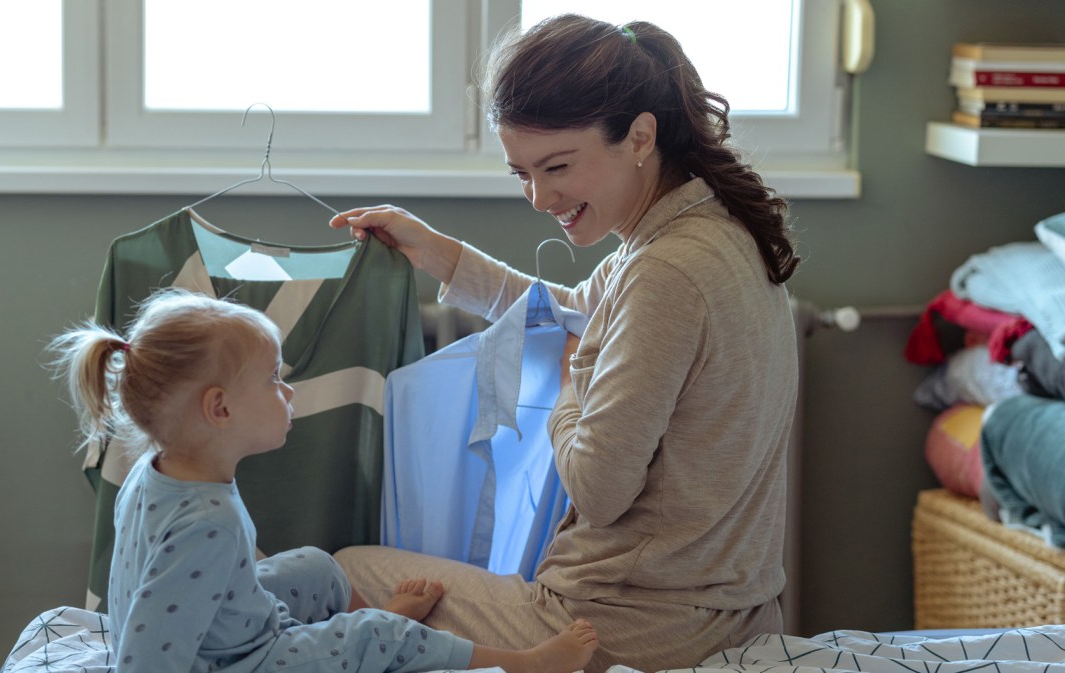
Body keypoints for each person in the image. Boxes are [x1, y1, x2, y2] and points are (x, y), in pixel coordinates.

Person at [328, 13, 800, 673]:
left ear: (639, 136)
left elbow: (600, 488)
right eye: (521, 172)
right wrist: (435, 251)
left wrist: (572, 392)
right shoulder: (704, 229)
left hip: (626, 624)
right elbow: (574, 313)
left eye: (557, 167)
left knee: (338, 575)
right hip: (725, 612)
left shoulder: (665, 271)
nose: (538, 195)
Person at [47, 288, 598, 673]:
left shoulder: (161, 474)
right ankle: (524, 665)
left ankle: (380, 618)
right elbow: (148, 655)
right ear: (219, 409)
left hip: (224, 632)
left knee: (315, 563)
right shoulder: (204, 524)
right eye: (272, 380)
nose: (287, 393)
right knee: (372, 638)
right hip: (236, 662)